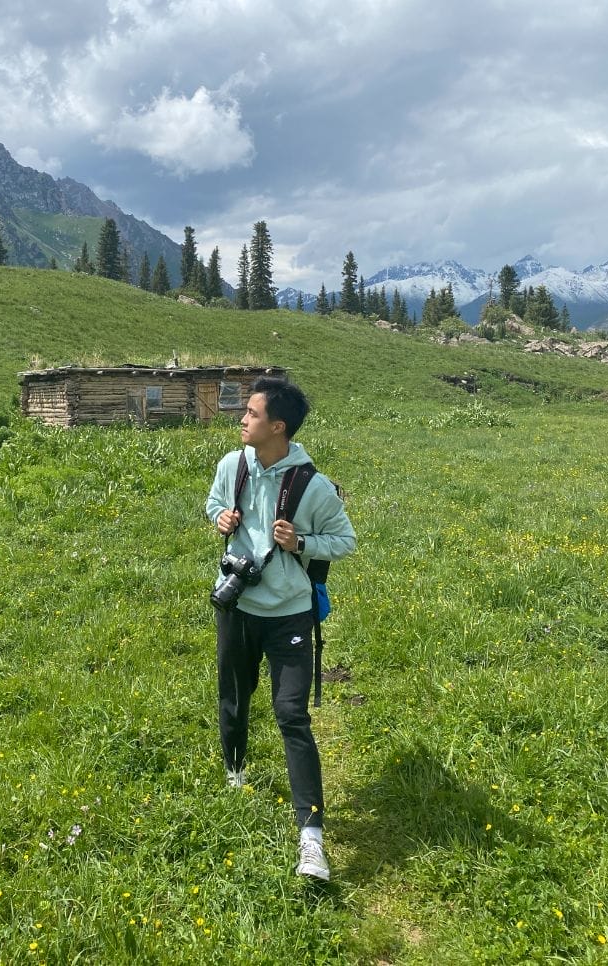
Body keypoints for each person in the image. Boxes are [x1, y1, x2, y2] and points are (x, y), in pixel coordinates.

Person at [205, 377, 356, 880]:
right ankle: (234, 775)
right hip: (238, 606)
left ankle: (310, 838)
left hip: (289, 613)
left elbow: (344, 541)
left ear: (277, 426)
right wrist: (221, 517)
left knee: (291, 714)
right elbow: (212, 503)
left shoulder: (313, 485)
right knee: (234, 696)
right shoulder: (233, 465)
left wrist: (302, 543)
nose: (241, 420)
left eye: (249, 413)